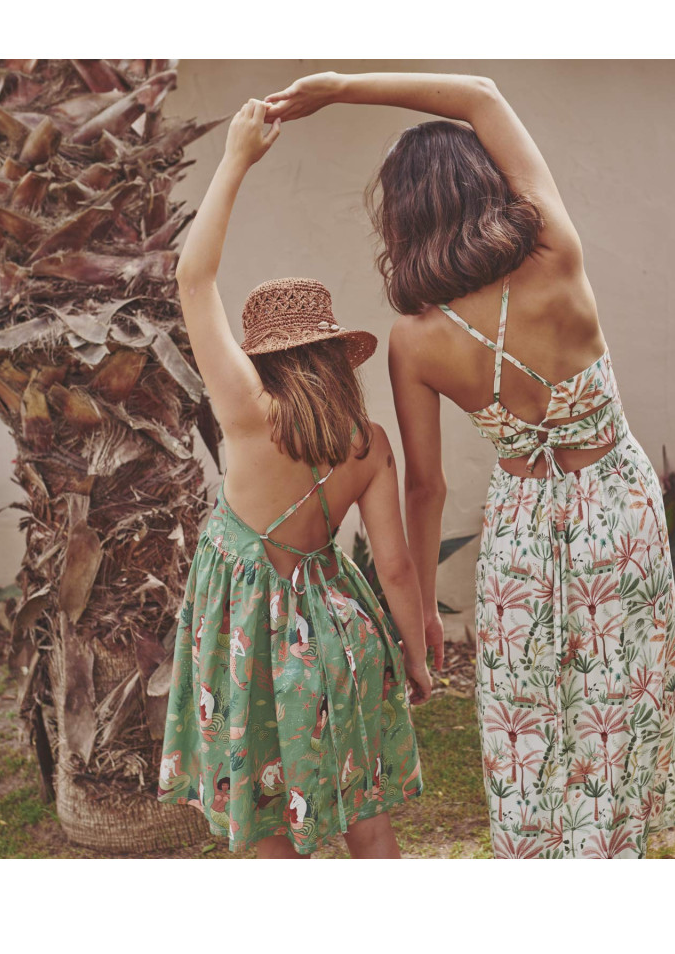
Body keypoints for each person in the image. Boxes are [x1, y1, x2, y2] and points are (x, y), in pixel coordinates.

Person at [264, 71, 675, 859]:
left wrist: (423, 612)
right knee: (614, 706)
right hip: (619, 512)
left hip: (520, 533)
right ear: (484, 186)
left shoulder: (415, 342)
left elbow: (426, 487)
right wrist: (342, 87)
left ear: (404, 218)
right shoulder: (557, 258)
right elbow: (481, 96)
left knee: (527, 722)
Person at [157, 99, 430, 859]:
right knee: (365, 815)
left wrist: (236, 157)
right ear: (336, 355)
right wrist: (412, 654)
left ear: (263, 358)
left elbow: (192, 277)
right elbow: (396, 565)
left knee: (268, 818)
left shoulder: (247, 412)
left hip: (250, 646)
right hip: (340, 640)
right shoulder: (369, 444)